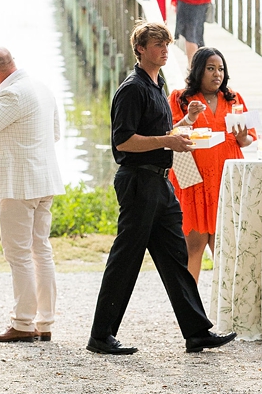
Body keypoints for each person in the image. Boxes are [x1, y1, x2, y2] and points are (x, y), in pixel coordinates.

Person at [87, 22, 236, 356]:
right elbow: (124, 142)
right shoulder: (132, 89)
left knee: (175, 257)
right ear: (140, 49)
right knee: (126, 259)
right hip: (138, 181)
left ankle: (197, 332)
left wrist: (186, 121)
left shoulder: (157, 84)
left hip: (160, 182)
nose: (165, 50)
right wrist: (168, 141)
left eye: (167, 44)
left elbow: (160, 133)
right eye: (158, 44)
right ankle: (101, 335)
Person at [0, 47, 63, 344]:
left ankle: (23, 322)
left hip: (18, 185)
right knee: (41, 250)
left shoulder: (10, 94)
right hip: (44, 182)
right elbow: (55, 134)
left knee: (19, 254)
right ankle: (44, 322)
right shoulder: (42, 88)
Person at [170, 48, 255, 280]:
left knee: (224, 248)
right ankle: (189, 301)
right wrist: (190, 118)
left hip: (226, 179)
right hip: (194, 180)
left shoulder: (233, 98)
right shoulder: (180, 98)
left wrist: (242, 136)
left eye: (221, 69)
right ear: (198, 70)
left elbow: (247, 140)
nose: (217, 74)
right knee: (193, 247)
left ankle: (227, 300)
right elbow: (170, 134)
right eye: (210, 68)